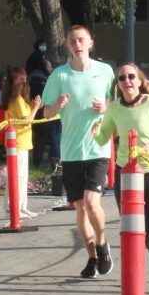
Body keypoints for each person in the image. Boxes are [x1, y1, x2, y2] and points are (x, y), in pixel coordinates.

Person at [42, 25, 115, 279]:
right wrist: (57, 105)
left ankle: (103, 245)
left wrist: (104, 106)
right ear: (67, 45)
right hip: (72, 151)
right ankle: (92, 258)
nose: (78, 44)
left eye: (81, 40)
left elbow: (115, 104)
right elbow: (46, 112)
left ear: (90, 43)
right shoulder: (59, 76)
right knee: (81, 207)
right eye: (73, 40)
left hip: (98, 146)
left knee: (92, 202)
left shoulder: (105, 72)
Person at [93, 63, 149, 269]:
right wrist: (94, 132)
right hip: (126, 173)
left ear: (139, 80)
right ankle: (134, 263)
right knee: (130, 225)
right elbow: (104, 139)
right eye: (122, 78)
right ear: (118, 85)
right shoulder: (113, 108)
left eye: (131, 76)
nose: (127, 81)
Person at [3, 67, 43, 219]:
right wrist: (36, 108)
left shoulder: (20, 99)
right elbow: (27, 121)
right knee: (17, 177)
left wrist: (35, 106)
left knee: (22, 177)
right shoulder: (17, 100)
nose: (24, 82)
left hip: (22, 142)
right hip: (17, 143)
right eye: (21, 79)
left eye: (25, 78)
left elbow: (29, 115)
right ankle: (12, 209)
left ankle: (21, 207)